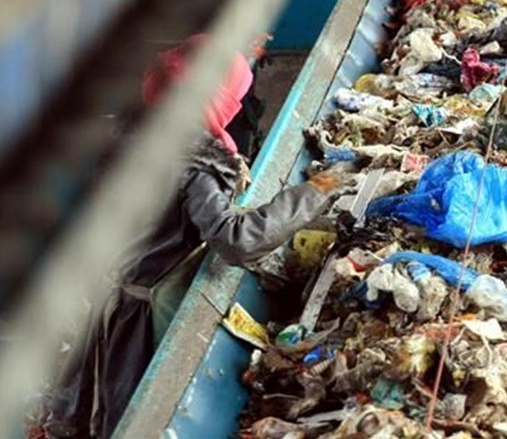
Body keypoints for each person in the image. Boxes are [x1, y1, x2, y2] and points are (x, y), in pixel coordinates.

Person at [43, 35, 351, 439]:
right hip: (143, 321)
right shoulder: (195, 161)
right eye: (234, 96)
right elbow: (235, 238)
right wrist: (315, 193)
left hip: (114, 302)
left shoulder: (135, 135)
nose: (237, 106)